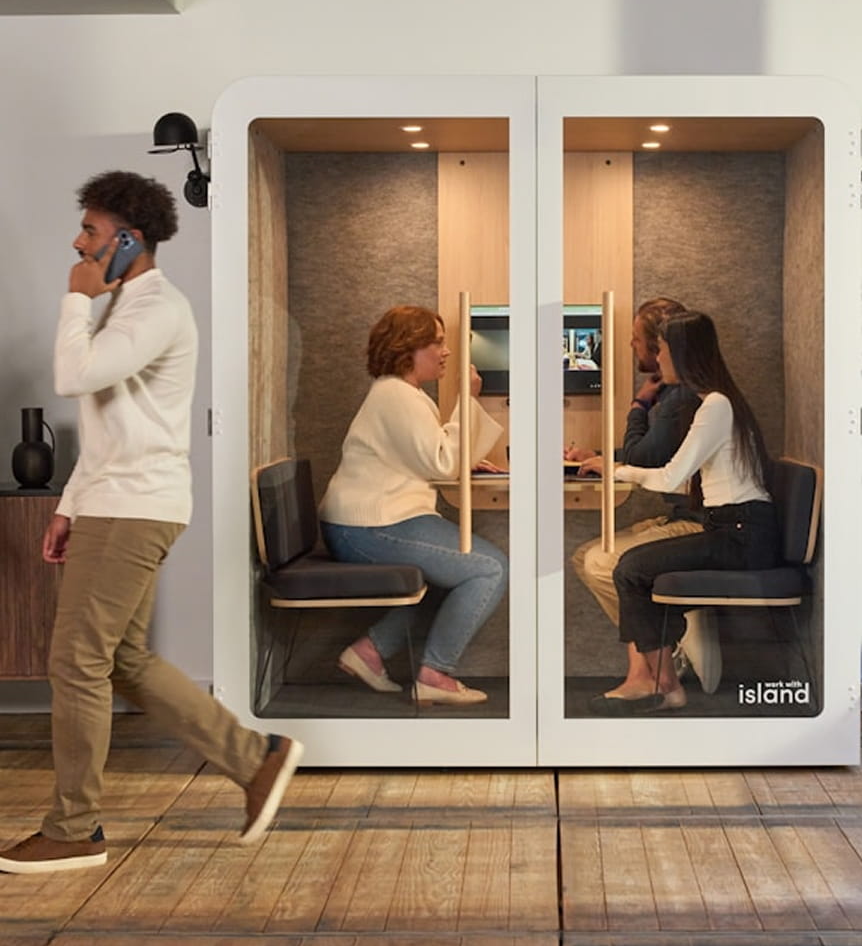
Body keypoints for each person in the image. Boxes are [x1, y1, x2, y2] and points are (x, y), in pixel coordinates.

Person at [0, 171, 302, 875]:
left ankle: (74, 830)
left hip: (134, 508)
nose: (78, 243)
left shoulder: (156, 309)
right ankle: (256, 760)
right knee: (124, 661)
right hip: (115, 502)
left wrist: (77, 297)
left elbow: (73, 378)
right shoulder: (125, 310)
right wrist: (69, 506)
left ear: (129, 239)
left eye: (93, 232)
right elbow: (108, 426)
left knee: (75, 661)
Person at [591, 310, 779, 715]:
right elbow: (681, 480)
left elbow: (671, 475)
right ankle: (665, 682)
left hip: (742, 534)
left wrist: (617, 470)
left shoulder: (715, 406)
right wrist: (621, 470)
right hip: (733, 528)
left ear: (682, 353)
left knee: (630, 570)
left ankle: (664, 686)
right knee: (636, 570)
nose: (657, 361)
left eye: (661, 351)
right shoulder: (716, 403)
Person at [319, 305, 508, 707]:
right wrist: (467, 400)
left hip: (371, 522)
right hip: (371, 526)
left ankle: (369, 652)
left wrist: (465, 455)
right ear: (409, 347)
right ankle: (436, 674)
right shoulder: (396, 395)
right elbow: (442, 462)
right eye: (437, 343)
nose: (445, 352)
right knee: (489, 569)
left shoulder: (401, 395)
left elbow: (428, 454)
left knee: (454, 575)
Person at [567, 297, 717, 693]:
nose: (632, 347)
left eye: (637, 340)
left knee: (602, 563)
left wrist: (637, 405)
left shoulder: (681, 397)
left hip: (699, 523)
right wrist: (603, 458)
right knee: (586, 556)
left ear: (659, 347)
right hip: (686, 515)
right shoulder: (679, 397)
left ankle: (656, 666)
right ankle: (660, 653)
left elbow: (644, 457)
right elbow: (652, 454)